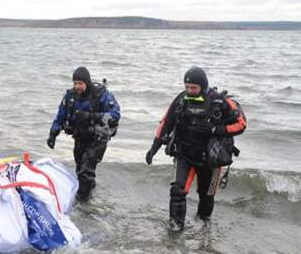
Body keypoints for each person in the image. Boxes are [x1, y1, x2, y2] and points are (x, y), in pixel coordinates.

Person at [145, 66, 247, 231]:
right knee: (177, 191)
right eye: (187, 87)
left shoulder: (220, 102)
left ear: (203, 86)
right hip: (184, 153)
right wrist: (154, 148)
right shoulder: (180, 100)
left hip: (211, 158)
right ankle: (175, 230)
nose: (189, 91)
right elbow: (166, 123)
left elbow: (241, 124)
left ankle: (203, 229)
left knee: (206, 197)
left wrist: (215, 130)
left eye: (193, 87)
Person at [47, 67, 121, 202]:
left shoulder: (101, 95)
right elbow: (60, 116)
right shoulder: (70, 97)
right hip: (80, 137)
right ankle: (90, 196)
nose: (77, 86)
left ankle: (82, 204)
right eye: (75, 83)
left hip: (98, 138)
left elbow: (115, 115)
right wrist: (53, 133)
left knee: (85, 171)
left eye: (80, 83)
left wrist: (91, 116)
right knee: (80, 169)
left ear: (87, 82)